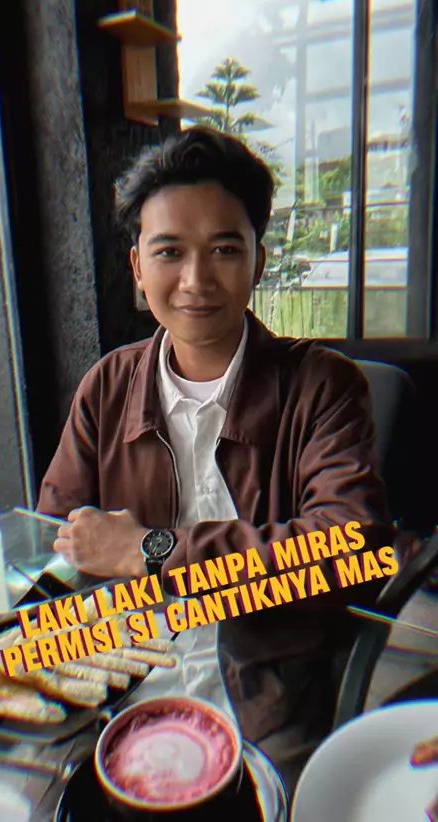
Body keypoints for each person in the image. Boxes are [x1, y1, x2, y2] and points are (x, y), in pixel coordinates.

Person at [37, 126, 394, 796]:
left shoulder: (322, 387)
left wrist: (152, 550)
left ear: (258, 262)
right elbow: (55, 544)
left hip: (269, 695)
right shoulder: (108, 388)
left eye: (225, 249)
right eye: (169, 251)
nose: (195, 281)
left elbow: (351, 549)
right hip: (121, 683)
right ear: (137, 266)